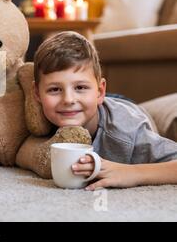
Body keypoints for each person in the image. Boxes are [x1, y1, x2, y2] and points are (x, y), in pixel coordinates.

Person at [32, 31, 177, 190]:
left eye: (80, 87)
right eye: (54, 89)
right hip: (98, 103)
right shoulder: (38, 117)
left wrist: (132, 172)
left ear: (100, 91)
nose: (68, 99)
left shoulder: (126, 132)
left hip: (129, 109)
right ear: (37, 94)